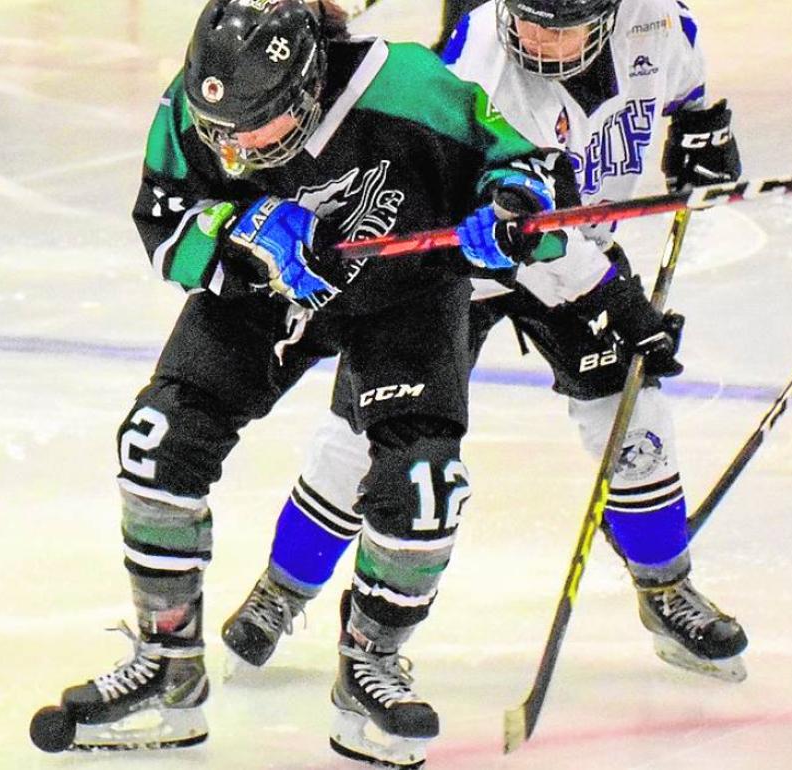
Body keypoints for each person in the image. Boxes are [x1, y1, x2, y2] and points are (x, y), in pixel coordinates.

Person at [27, 0, 578, 764]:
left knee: (422, 484)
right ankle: (168, 670)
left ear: (311, 82)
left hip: (403, 291)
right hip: (269, 291)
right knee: (156, 444)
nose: (241, 147)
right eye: (227, 132)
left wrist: (512, 208)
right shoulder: (192, 106)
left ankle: (370, 669)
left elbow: (527, 168)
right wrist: (241, 238)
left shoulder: (407, 86)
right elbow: (165, 224)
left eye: (263, 126)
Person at [220, 0, 749, 701]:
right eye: (527, 19)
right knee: (368, 434)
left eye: (559, 27)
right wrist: (620, 302)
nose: (536, 39)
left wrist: (701, 125)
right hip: (455, 257)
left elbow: (684, 84)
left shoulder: (659, 22)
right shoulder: (481, 63)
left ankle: (667, 587)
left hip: (571, 248)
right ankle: (283, 589)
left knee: (632, 408)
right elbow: (538, 236)